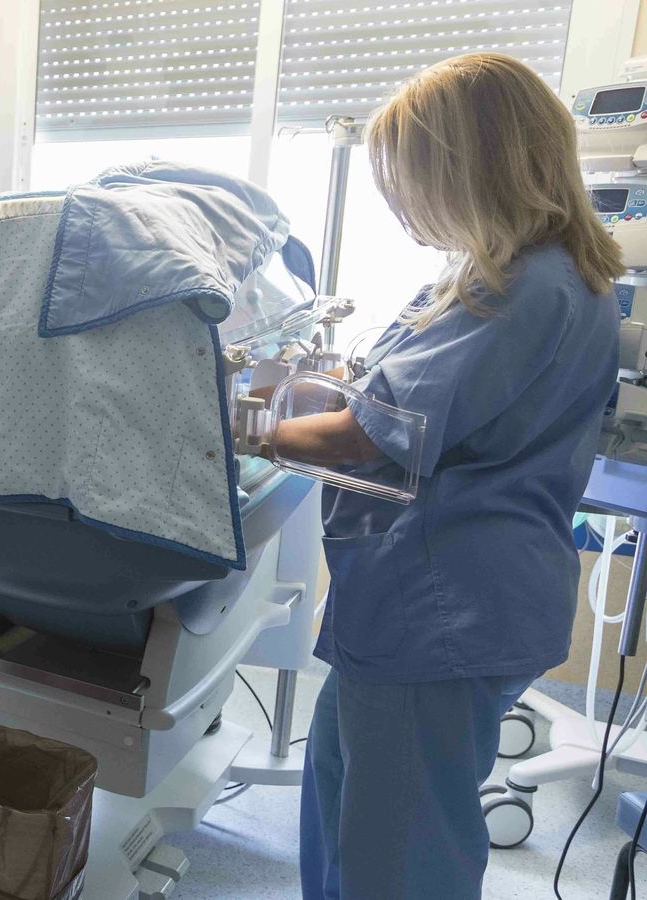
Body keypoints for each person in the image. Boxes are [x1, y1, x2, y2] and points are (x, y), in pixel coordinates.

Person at [268, 53, 624, 899]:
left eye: (411, 181)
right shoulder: (515, 274)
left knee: (400, 854)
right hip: (434, 603)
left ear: (473, 168)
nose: (402, 206)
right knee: (343, 790)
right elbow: (384, 390)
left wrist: (239, 432)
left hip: (441, 608)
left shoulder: (520, 287)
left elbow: (366, 433)